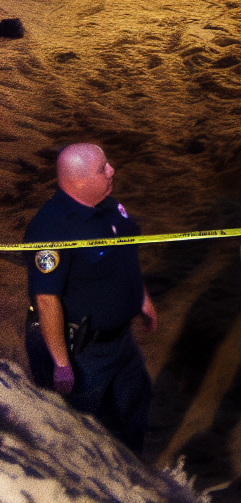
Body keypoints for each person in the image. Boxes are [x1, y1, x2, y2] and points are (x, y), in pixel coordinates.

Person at [23, 143, 155, 456]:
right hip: (81, 353)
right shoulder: (50, 229)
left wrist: (142, 298)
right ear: (79, 181)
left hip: (120, 342)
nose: (112, 171)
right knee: (83, 430)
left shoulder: (110, 208)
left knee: (135, 405)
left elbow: (124, 255)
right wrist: (62, 364)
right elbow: (46, 300)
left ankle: (134, 478)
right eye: (103, 168)